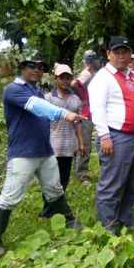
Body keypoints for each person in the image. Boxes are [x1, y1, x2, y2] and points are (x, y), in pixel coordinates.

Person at [0, 58, 84, 259]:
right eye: (31, 66)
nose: (37, 70)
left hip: (45, 151)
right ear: (21, 68)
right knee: (10, 196)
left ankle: (70, 221)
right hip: (23, 153)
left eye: (41, 68)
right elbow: (37, 107)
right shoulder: (13, 90)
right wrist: (64, 113)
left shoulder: (36, 90)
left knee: (54, 189)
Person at [88, 36, 134, 234]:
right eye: (117, 52)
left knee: (133, 181)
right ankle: (108, 226)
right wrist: (104, 136)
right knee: (112, 183)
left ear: (130, 54)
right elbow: (97, 109)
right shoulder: (103, 78)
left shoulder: (133, 76)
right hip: (116, 136)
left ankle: (125, 218)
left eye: (125, 52)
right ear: (109, 54)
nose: (122, 56)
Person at [39, 63, 86, 218]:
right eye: (62, 78)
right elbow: (42, 122)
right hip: (51, 144)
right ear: (56, 79)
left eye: (68, 78)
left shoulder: (75, 100)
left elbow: (77, 123)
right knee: (50, 180)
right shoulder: (48, 99)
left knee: (63, 180)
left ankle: (57, 209)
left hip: (68, 145)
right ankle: (47, 211)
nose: (65, 81)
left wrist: (81, 142)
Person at [71, 50, 101, 182]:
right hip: (86, 112)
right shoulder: (87, 73)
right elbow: (74, 84)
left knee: (99, 141)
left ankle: (83, 172)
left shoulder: (96, 74)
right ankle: (82, 174)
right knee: (86, 143)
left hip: (96, 111)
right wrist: (83, 97)